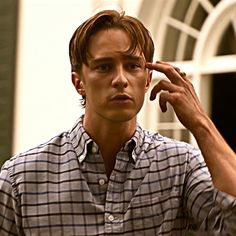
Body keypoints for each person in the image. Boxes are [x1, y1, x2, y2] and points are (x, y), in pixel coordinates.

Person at [0, 9, 236, 236]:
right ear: (78, 82)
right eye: (104, 67)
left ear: (147, 79)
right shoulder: (20, 179)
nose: (121, 79)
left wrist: (200, 123)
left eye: (133, 66)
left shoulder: (180, 166)